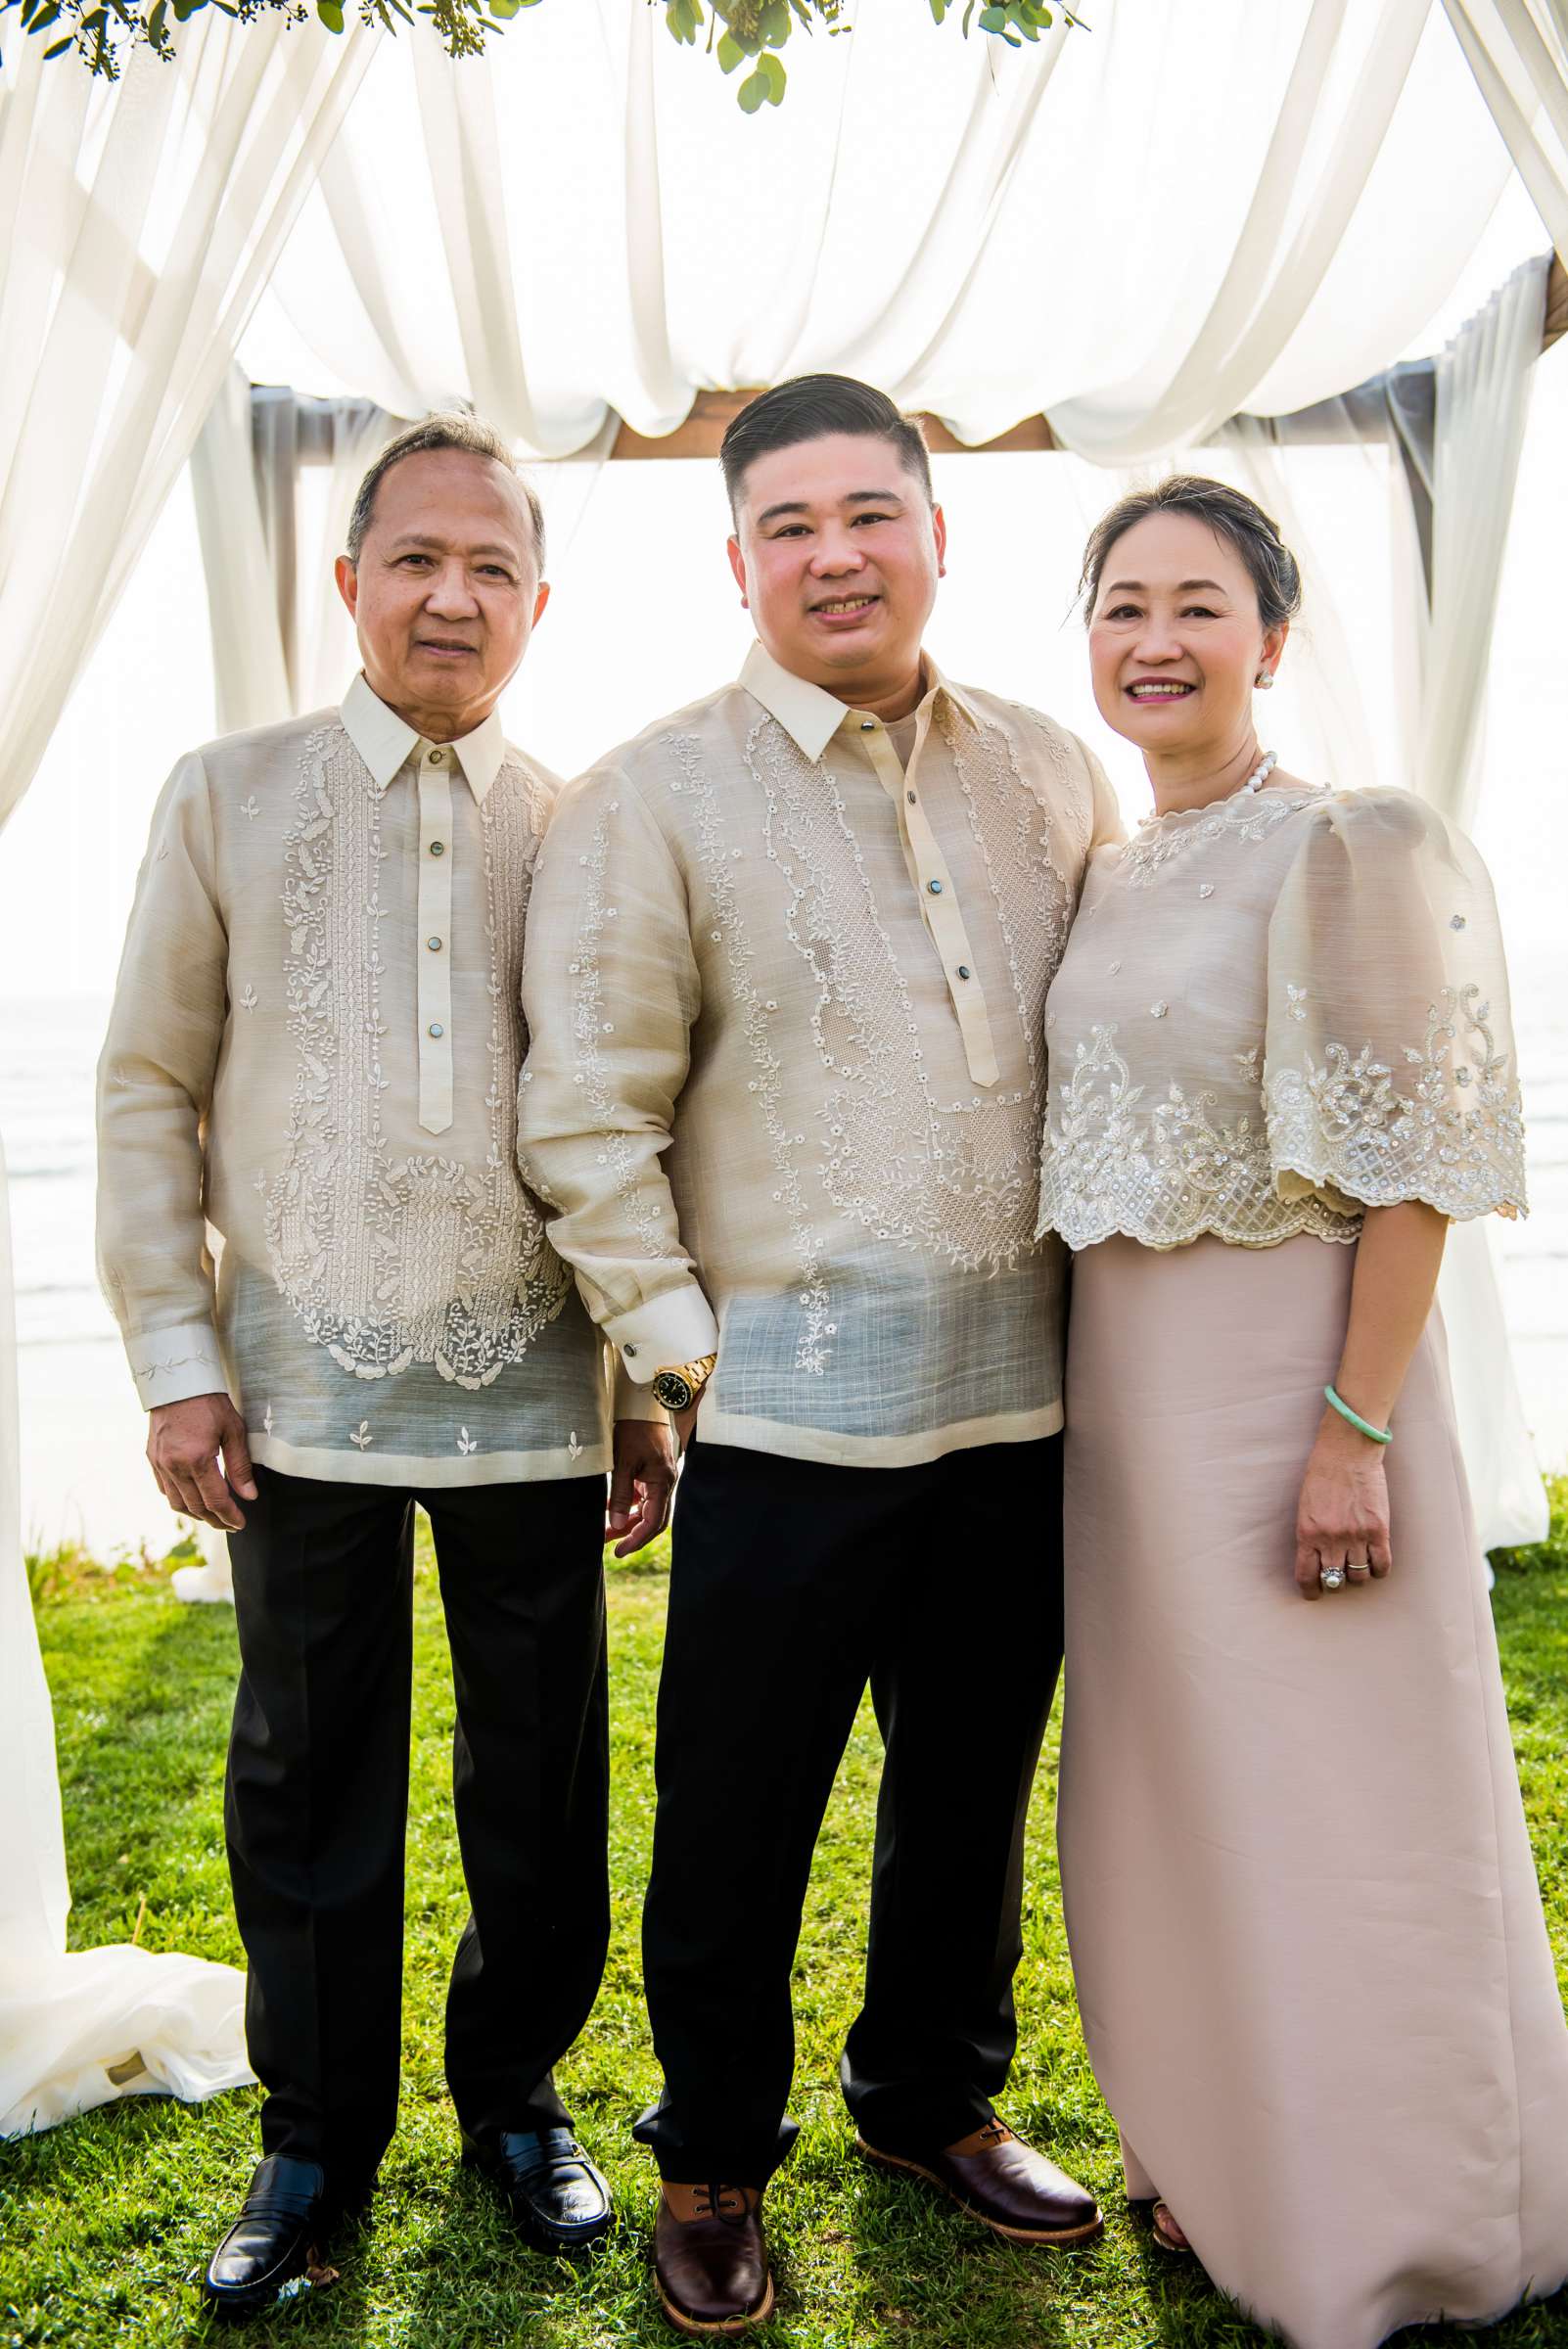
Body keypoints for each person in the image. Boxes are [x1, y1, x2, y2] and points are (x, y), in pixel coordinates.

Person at [518, 374, 1122, 2336]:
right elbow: (586, 1116)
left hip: (1025, 1405)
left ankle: (929, 2098)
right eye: (792, 526)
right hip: (778, 1417)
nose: (836, 554)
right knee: (738, 1809)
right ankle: (711, 2155)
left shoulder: (1048, 769)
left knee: (968, 1787)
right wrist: (690, 1363)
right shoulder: (649, 794)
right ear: (740, 560)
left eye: (872, 513)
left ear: (943, 535)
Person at [96, 414, 677, 2316]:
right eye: (415, 557)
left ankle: (514, 2097)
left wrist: (635, 1392)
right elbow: (147, 1092)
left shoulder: (586, 823)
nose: (453, 594)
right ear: (344, 582)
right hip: (296, 1394)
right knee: (307, 1765)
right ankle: (315, 2139)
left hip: (533, 1394)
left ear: (534, 603)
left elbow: (622, 1117)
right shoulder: (224, 794)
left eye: (492, 566)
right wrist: (178, 1359)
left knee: (542, 1773)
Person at [1037, 474, 1568, 2348]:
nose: (1154, 640)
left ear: (1270, 638)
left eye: (1195, 605)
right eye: (1119, 606)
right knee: (1188, 1801)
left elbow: (1414, 1166)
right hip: (1127, 1420)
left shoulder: (1344, 842)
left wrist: (1350, 1427)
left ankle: (1401, 2213)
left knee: (1346, 1808)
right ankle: (1226, 2153)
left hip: (1288, 1392)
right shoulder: (1105, 864)